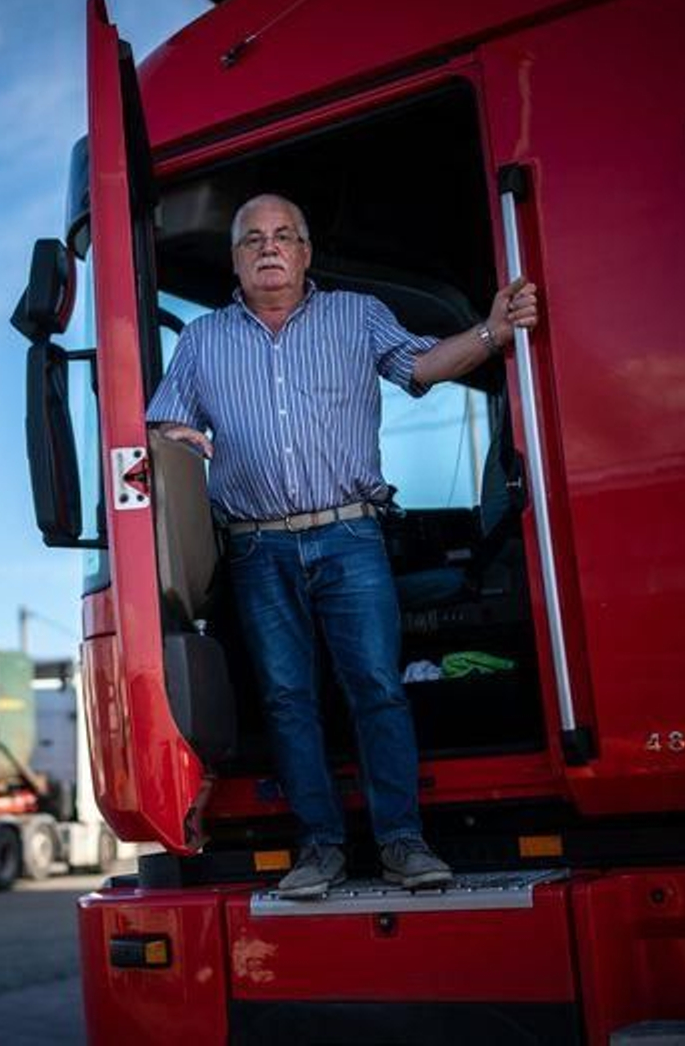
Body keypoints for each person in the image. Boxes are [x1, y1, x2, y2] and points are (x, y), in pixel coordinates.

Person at [146, 194, 539, 898]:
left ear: (305, 253)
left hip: (351, 536)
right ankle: (320, 847)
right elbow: (161, 428)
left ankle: (401, 842)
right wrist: (175, 438)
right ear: (235, 260)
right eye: (252, 239)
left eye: (283, 236)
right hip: (257, 549)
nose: (269, 247)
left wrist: (492, 331)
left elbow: (423, 365)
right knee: (287, 699)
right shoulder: (202, 341)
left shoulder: (356, 316)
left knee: (377, 688)